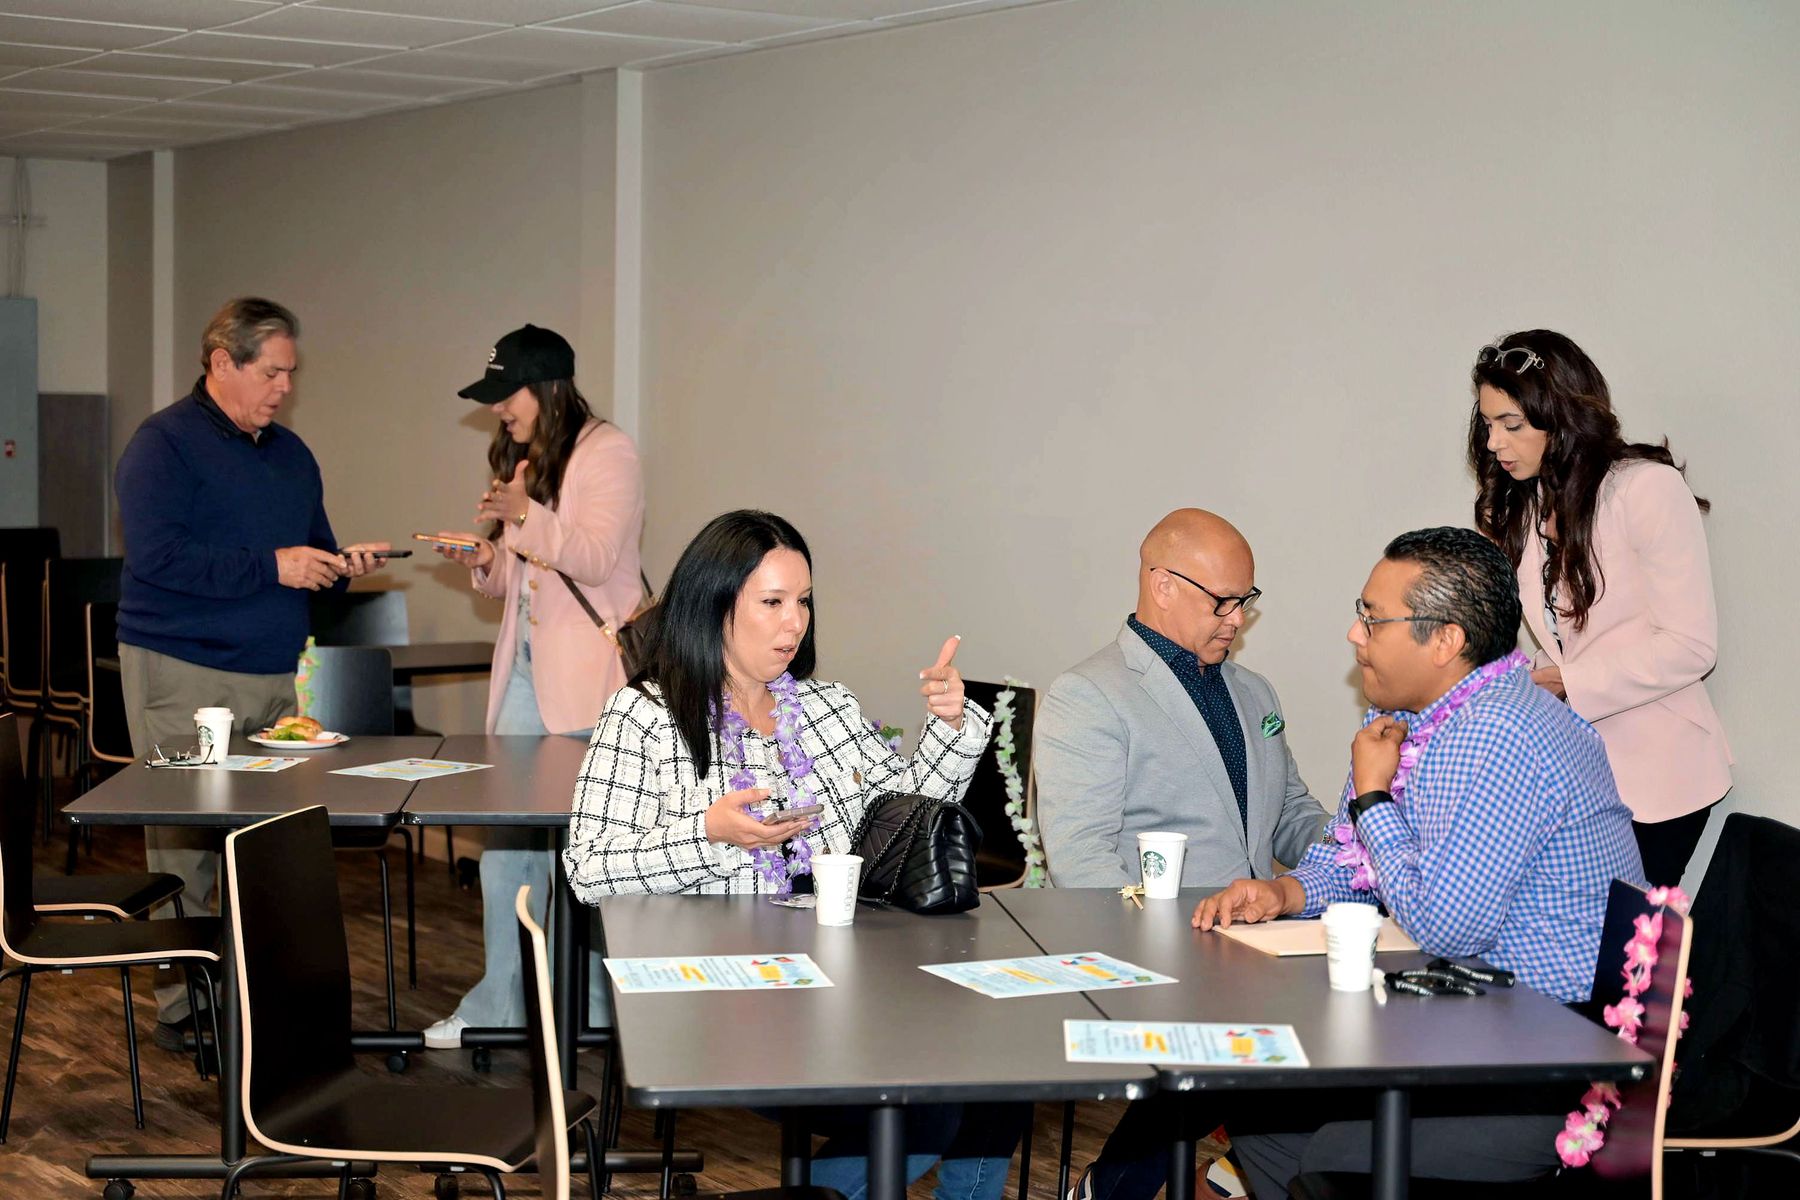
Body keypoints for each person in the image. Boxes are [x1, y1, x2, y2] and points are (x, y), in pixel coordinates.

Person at [1073, 527, 1644, 1200]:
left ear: (1445, 640)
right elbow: (1350, 858)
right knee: (1264, 1118)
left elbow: (1449, 926)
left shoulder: (1502, 735)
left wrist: (1374, 797)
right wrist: (1285, 893)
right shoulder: (1414, 721)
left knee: (1330, 1150)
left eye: (1373, 619)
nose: (1354, 634)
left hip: (1545, 1053)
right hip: (1472, 1017)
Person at [563, 509, 1019, 1200]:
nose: (794, 622)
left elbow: (905, 825)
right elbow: (588, 867)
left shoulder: (828, 708)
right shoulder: (646, 716)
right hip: (718, 1001)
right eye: (772, 602)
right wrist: (707, 834)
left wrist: (950, 728)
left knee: (996, 1063)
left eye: (803, 601)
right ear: (716, 606)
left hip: (848, 982)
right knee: (929, 1103)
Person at [114, 296, 389, 1052]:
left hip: (273, 675)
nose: (284, 388)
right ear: (221, 364)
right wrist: (274, 566)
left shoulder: (291, 454)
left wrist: (341, 567)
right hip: (182, 668)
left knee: (267, 842)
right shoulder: (163, 445)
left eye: (290, 374)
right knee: (188, 841)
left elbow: (310, 555)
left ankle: (255, 993)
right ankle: (188, 1005)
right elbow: (158, 558)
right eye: (271, 373)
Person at [420, 323, 645, 1050]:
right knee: (509, 853)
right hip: (524, 677)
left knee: (593, 858)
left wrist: (523, 514)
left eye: (505, 394)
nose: (497, 409)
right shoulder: (530, 460)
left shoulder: (607, 451)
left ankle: (601, 1013)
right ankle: (501, 1007)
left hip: (588, 687)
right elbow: (524, 579)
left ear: (545, 387)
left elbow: (596, 558)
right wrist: (487, 559)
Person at [1470, 330, 1730, 888]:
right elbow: (1563, 634)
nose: (1494, 442)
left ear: (1561, 417)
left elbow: (1691, 646)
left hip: (1663, 773)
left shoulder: (1646, 489)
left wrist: (1566, 681)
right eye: (1488, 424)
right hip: (1579, 769)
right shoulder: (1526, 504)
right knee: (1576, 930)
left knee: (1639, 936)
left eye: (1511, 424)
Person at [1036, 508, 1326, 889]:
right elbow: (1081, 861)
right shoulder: (1088, 695)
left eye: (1244, 600)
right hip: (1159, 926)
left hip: (1265, 923)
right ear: (1163, 587)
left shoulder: (1256, 692)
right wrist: (1152, 927)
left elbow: (1289, 814)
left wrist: (1366, 845)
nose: (1238, 619)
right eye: (1223, 600)